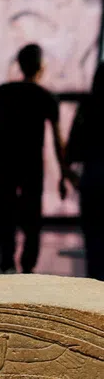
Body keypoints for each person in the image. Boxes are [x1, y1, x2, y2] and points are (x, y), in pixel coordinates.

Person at [0, 44, 68, 273]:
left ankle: (7, 261)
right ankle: (28, 266)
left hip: (5, 164)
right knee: (32, 218)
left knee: (6, 214)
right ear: (40, 66)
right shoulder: (46, 97)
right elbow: (58, 140)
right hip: (31, 166)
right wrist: (63, 174)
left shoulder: (2, 92)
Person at [67, 62, 104, 279]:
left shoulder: (88, 105)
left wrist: (71, 176)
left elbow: (74, 147)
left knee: (94, 241)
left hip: (93, 179)